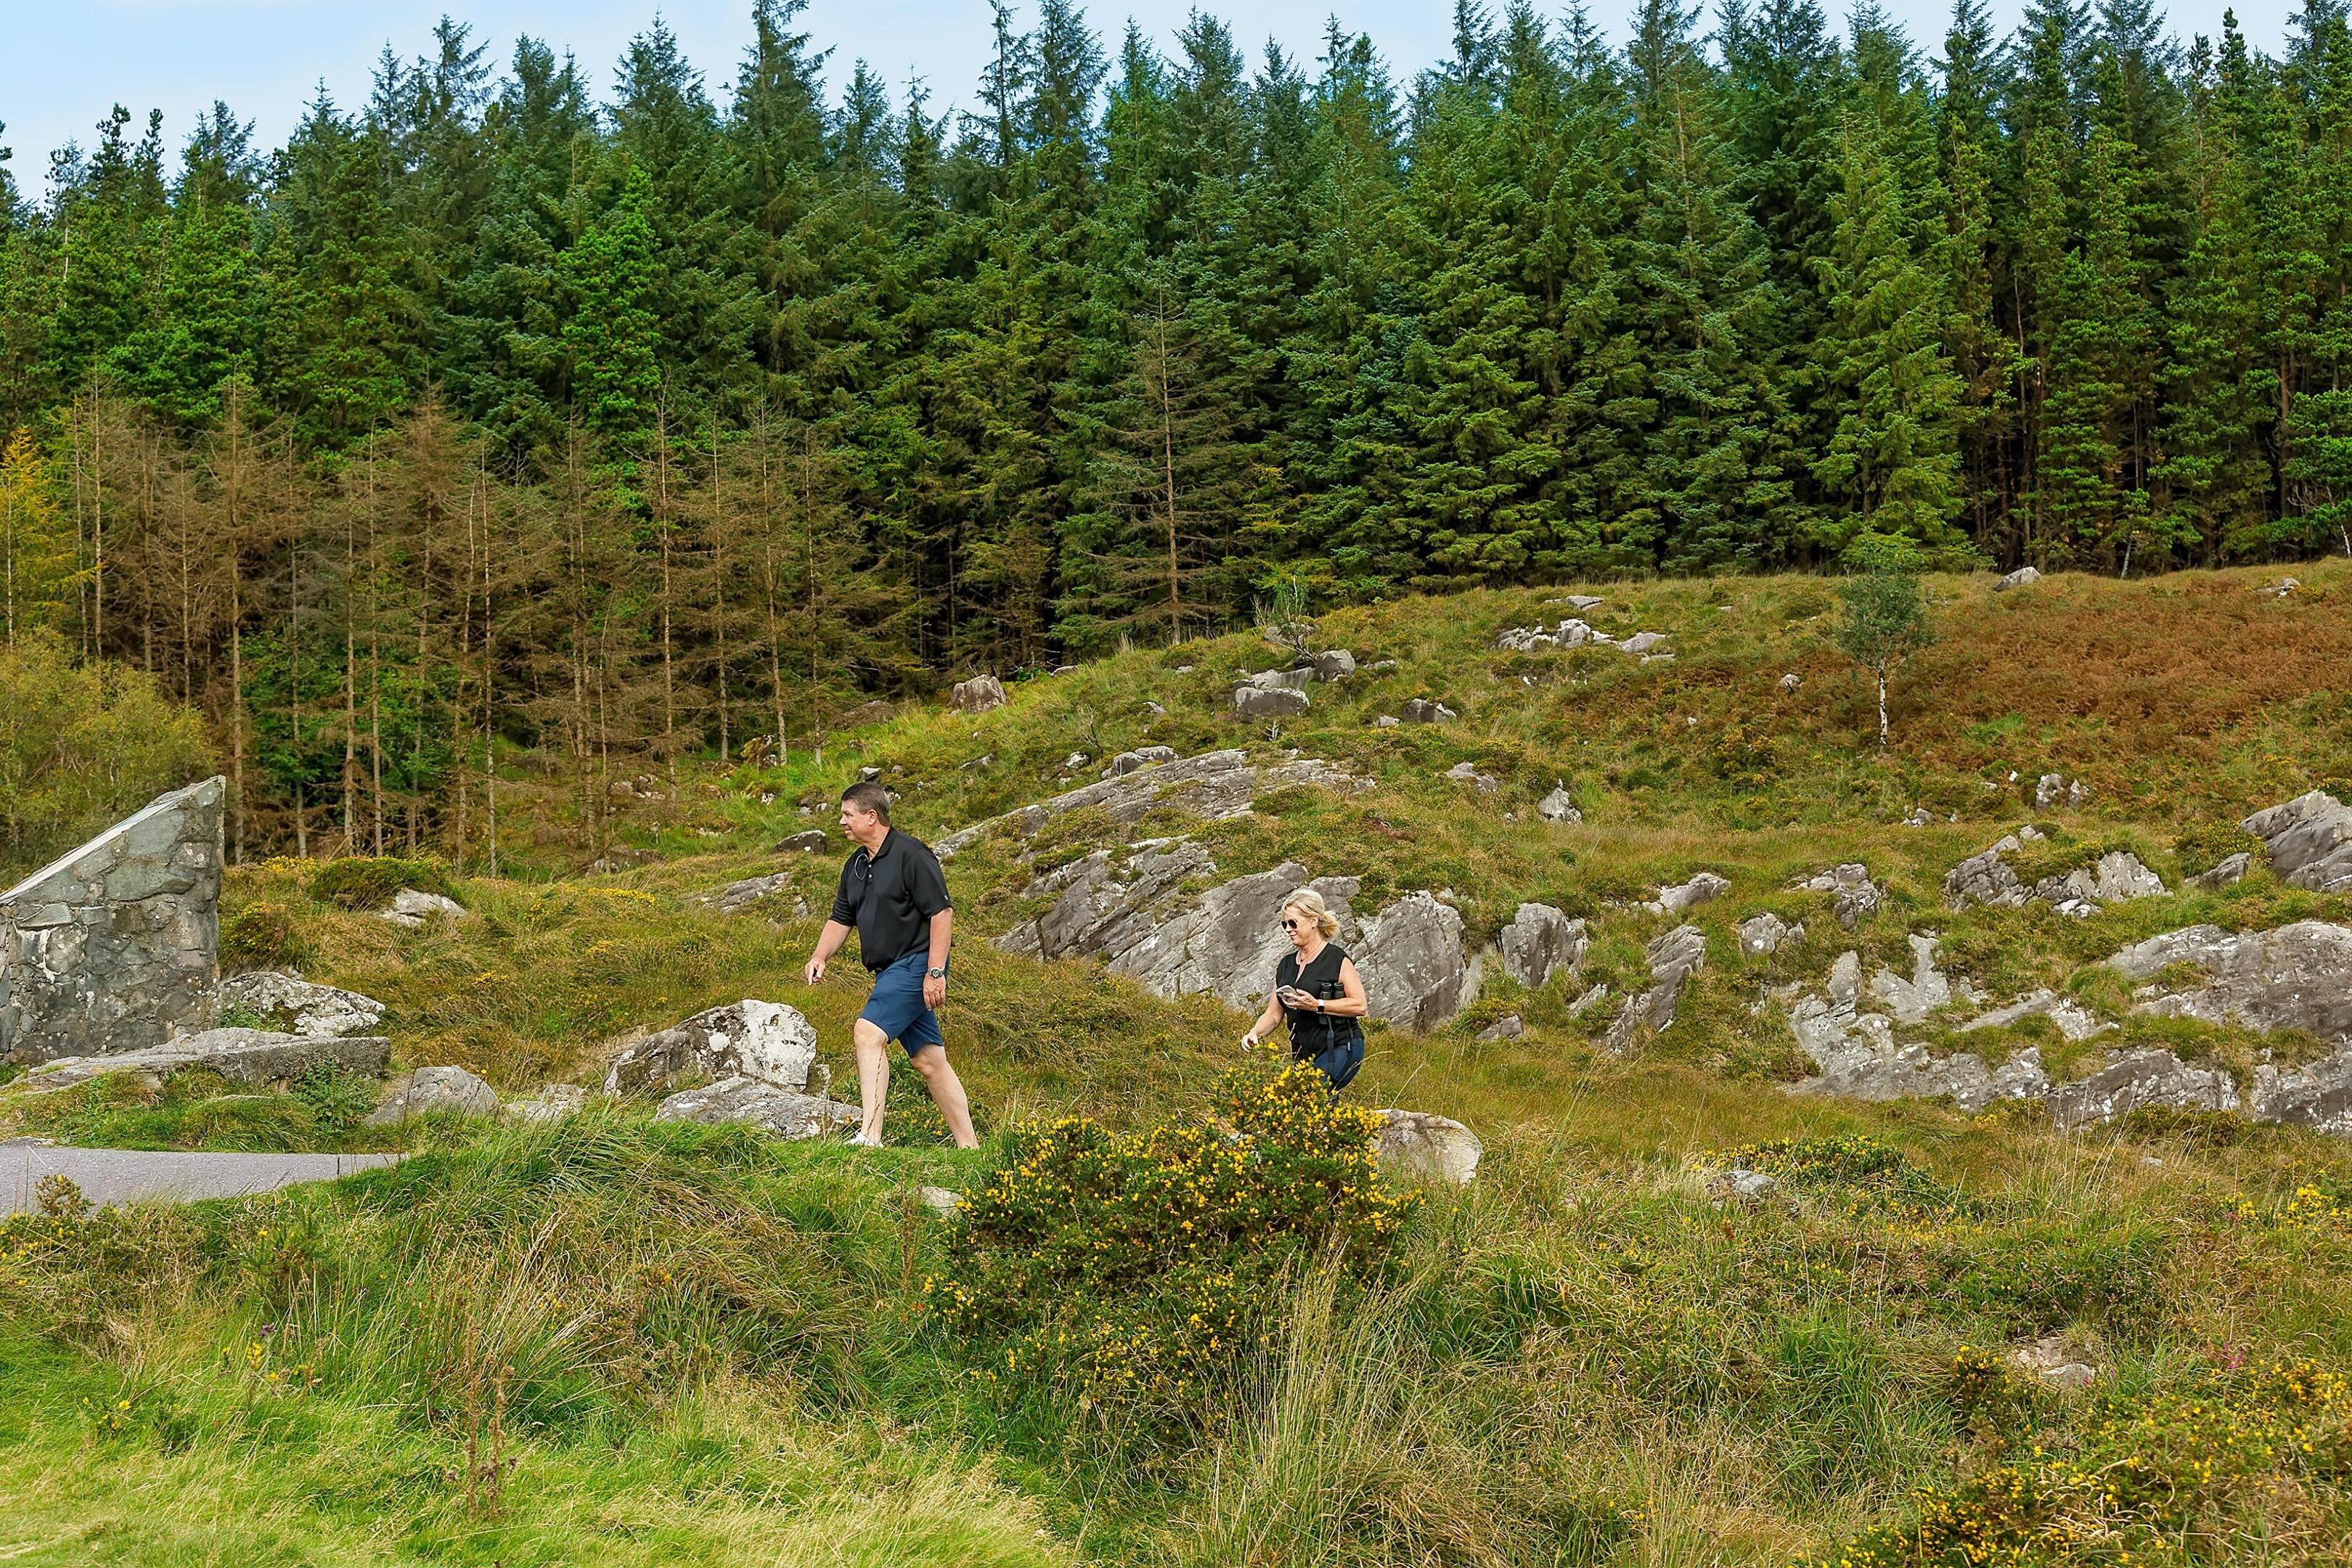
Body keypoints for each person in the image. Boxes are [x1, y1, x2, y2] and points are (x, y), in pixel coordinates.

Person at [802, 782, 980, 1148]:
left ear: (872, 817)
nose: (841, 822)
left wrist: (935, 972)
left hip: (916, 963)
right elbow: (841, 919)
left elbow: (942, 913)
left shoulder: (912, 855)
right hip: (889, 971)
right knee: (929, 1061)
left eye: (847, 815)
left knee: (868, 1034)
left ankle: (870, 1136)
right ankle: (971, 1148)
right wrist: (820, 956)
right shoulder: (854, 865)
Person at [1241, 887, 1368, 1090]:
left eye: (1293, 923)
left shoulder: (1336, 959)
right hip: (1303, 1055)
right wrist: (1255, 1032)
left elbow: (1360, 1005)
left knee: (1313, 1094)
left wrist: (1317, 1005)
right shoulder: (1286, 965)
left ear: (1313, 921)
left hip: (1341, 1046)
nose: (1288, 929)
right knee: (1305, 1104)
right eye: (1284, 924)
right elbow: (1273, 1015)